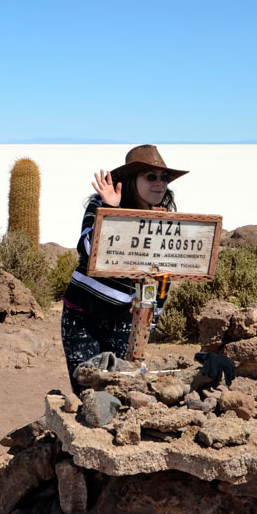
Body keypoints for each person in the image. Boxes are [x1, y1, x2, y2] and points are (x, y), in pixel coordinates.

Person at [60, 145, 186, 393]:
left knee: (121, 388)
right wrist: (113, 212)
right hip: (83, 315)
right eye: (151, 177)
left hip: (126, 319)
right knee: (86, 388)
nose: (160, 184)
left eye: (164, 178)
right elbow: (88, 250)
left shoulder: (164, 220)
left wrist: (150, 321)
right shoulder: (101, 205)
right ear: (131, 180)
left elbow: (160, 278)